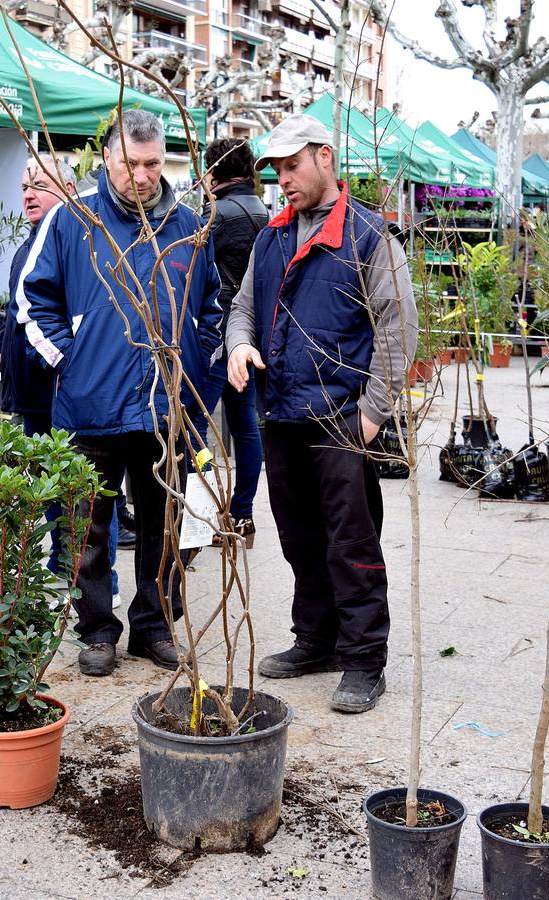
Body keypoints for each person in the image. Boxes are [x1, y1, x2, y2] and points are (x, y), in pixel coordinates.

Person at [19, 109, 223, 676]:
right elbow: (33, 301)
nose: (144, 175)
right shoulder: (72, 222)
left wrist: (194, 371)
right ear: (109, 158)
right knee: (87, 526)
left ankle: (153, 627)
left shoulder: (187, 227)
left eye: (154, 163)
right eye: (132, 164)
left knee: (163, 525)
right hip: (92, 405)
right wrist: (72, 359)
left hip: (165, 408)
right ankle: (97, 631)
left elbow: (211, 308)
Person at [225, 114, 416, 713]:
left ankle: (363, 661)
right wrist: (238, 345)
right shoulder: (271, 237)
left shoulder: (369, 236)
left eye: (292, 166)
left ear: (325, 157)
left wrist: (374, 414)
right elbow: (242, 307)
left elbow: (398, 325)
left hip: (342, 417)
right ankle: (315, 641)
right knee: (299, 537)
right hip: (281, 414)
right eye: (277, 170)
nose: (284, 180)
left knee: (351, 541)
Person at [0, 156, 122, 609]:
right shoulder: (29, 245)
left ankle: (102, 584)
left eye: (38, 185)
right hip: (29, 394)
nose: (28, 194)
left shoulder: (80, 239)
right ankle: (60, 573)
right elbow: (19, 313)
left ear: (65, 187)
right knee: (49, 492)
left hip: (66, 392)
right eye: (24, 186)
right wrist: (3, 353)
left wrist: (71, 365)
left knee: (86, 497)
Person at [201, 137, 268, 547]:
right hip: (251, 335)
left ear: (214, 171)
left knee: (192, 429)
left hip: (215, 336)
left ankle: (202, 512)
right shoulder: (266, 212)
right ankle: (241, 514)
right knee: (245, 426)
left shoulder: (215, 215)